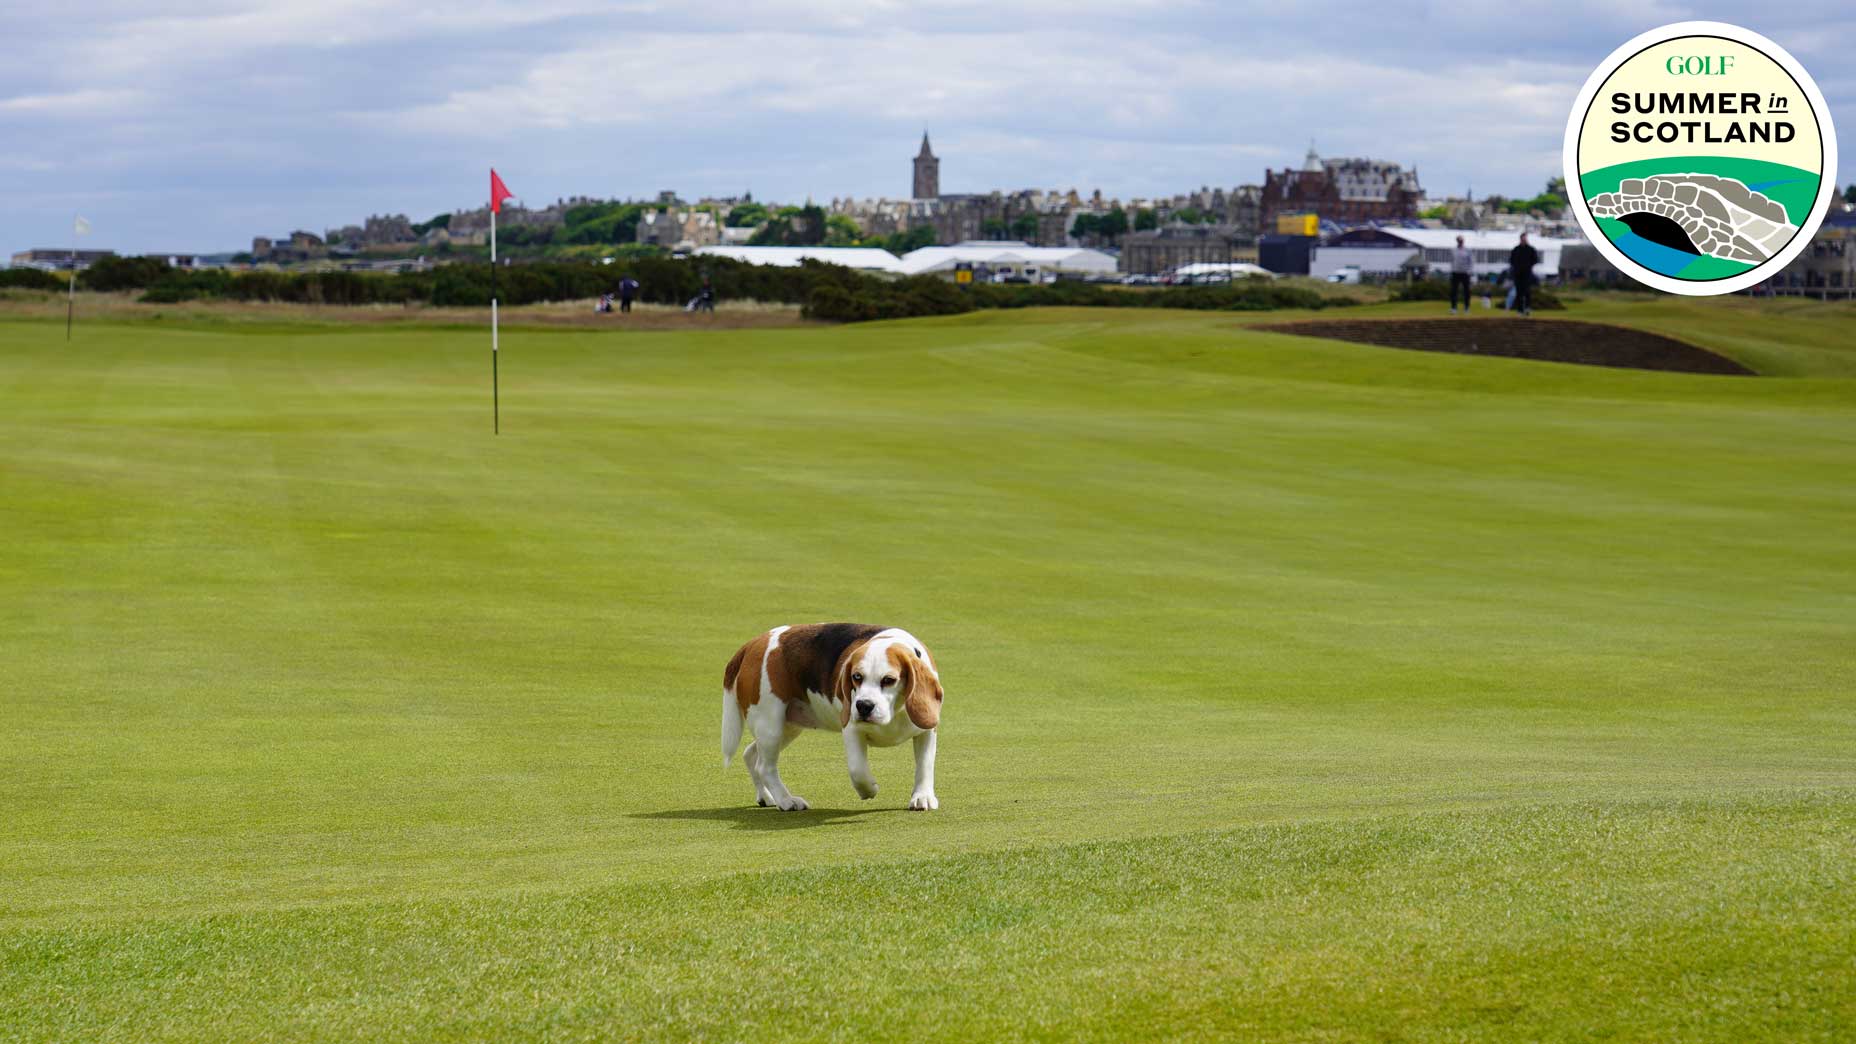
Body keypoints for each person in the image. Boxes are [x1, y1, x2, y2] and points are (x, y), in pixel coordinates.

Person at [1509, 233, 1541, 317]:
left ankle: (1527, 308)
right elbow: (1511, 260)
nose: (1524, 240)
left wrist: (1528, 266)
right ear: (1520, 239)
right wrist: (1516, 268)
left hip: (1527, 274)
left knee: (1527, 292)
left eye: (1525, 239)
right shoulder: (1516, 249)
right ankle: (1520, 310)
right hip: (1518, 274)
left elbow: (1535, 260)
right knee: (1519, 293)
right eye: (1522, 239)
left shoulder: (1531, 249)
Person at [1449, 235, 1473, 315]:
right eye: (1459, 241)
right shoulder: (1453, 250)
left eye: (1461, 241)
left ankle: (1467, 308)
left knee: (1467, 291)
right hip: (1455, 272)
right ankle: (1453, 308)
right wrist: (1452, 270)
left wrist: (1469, 271)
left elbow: (1471, 261)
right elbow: (1451, 261)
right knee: (1454, 291)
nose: (1460, 242)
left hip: (1465, 273)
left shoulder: (1467, 250)